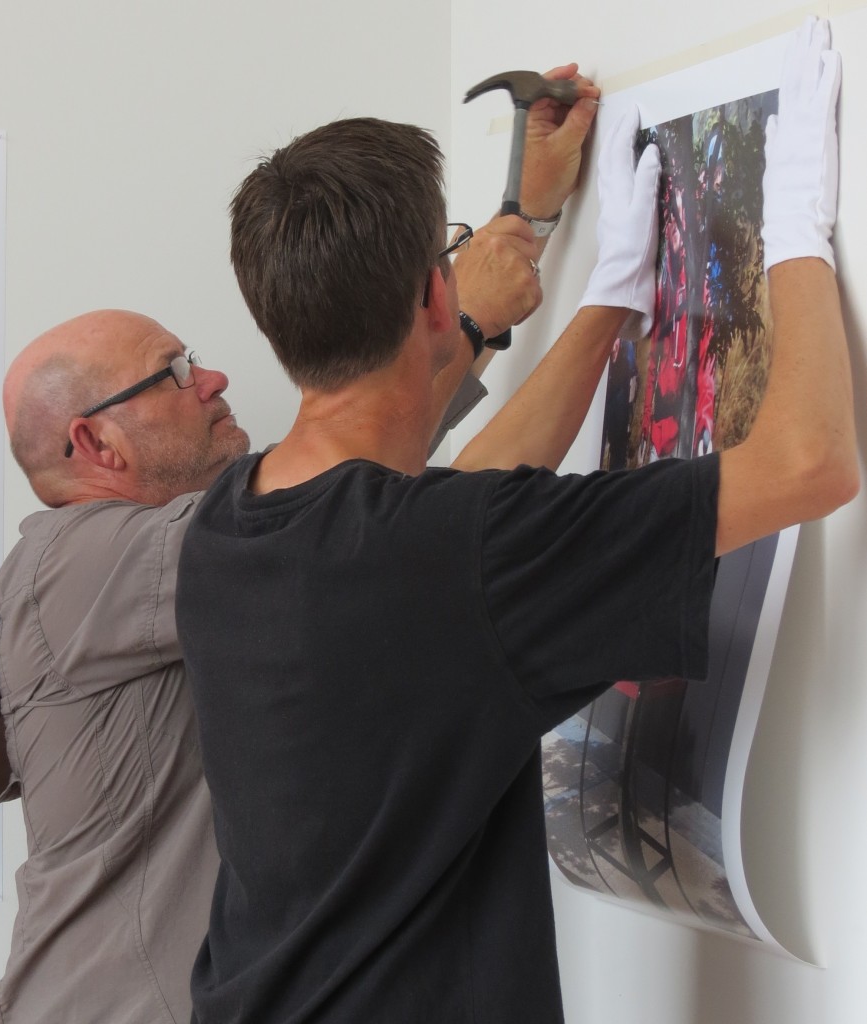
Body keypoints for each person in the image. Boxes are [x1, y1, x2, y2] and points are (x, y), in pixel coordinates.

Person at [175, 17, 857, 1024]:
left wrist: (611, 294)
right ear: (434, 298)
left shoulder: (229, 527)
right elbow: (811, 460)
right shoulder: (456, 553)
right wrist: (797, 220)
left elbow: (445, 498)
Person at [0, 65, 604, 1024]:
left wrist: (520, 224)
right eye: (173, 373)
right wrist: (461, 311)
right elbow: (345, 496)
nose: (215, 374)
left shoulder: (239, 537)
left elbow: (364, 482)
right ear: (94, 444)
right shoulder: (72, 566)